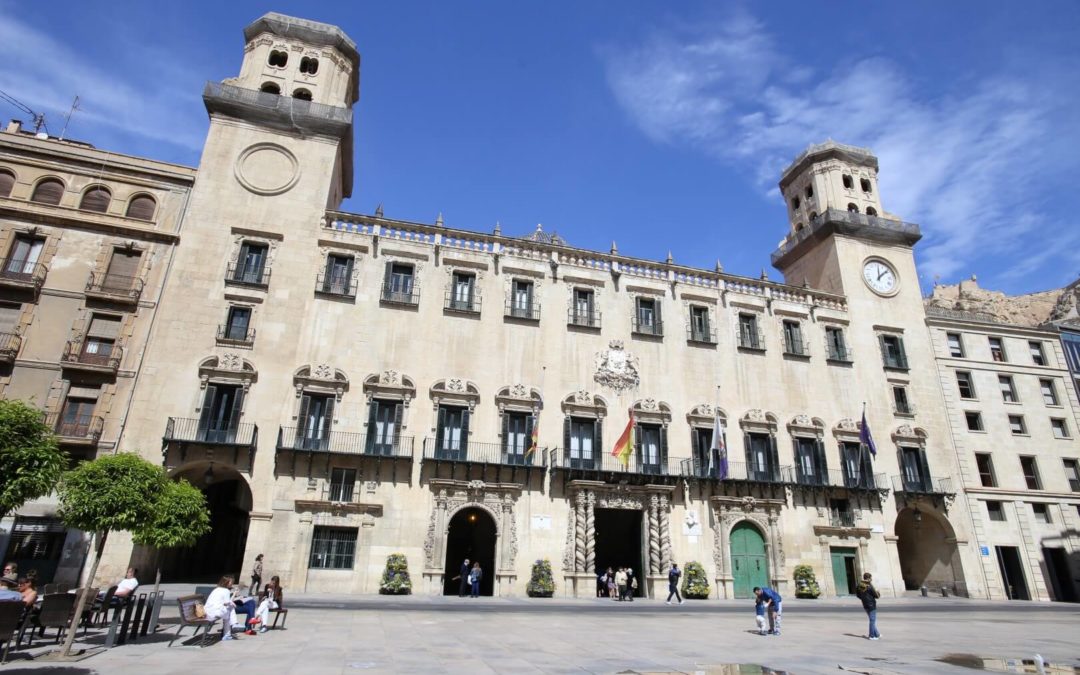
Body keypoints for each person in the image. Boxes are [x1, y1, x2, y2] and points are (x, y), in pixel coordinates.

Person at [204, 576, 240, 641]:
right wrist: (234, 595)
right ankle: (233, 626)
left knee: (229, 611)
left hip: (208, 611)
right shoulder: (226, 591)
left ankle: (232, 628)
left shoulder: (216, 589)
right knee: (230, 610)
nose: (232, 584)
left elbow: (227, 602)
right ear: (226, 582)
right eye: (231, 582)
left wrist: (232, 598)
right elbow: (227, 602)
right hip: (216, 612)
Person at [856, 572, 881, 640]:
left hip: (865, 604)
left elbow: (858, 595)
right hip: (871, 605)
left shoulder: (859, 585)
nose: (871, 579)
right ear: (869, 578)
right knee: (872, 620)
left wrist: (863, 598)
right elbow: (877, 596)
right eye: (871, 578)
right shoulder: (869, 585)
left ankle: (877, 634)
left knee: (871, 619)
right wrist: (878, 592)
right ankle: (871, 636)